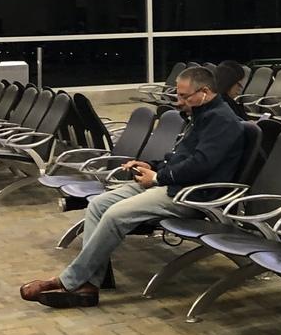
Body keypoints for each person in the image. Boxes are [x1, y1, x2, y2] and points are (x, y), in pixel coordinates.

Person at [20, 66, 249, 309]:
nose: (179, 101)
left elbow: (200, 165)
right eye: (178, 95)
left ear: (204, 92)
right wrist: (151, 166)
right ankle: (89, 287)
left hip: (190, 195)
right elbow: (181, 158)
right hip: (172, 184)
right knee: (98, 205)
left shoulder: (222, 121)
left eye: (184, 96)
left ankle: (69, 281)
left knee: (115, 215)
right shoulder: (200, 116)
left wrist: (158, 177)